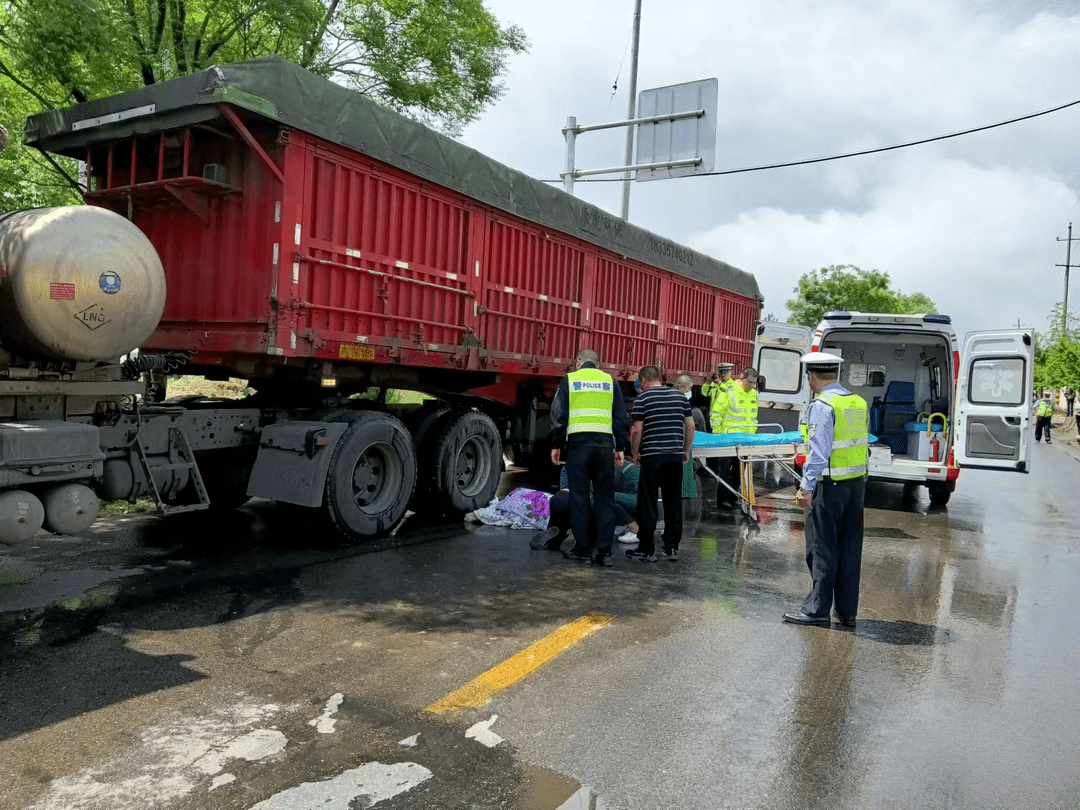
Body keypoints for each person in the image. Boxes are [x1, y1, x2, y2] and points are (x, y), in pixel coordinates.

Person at [783, 352, 869, 627]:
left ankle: (817, 610)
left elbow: (818, 453)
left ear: (811, 377)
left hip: (829, 486)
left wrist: (806, 487)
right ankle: (846, 612)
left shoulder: (822, 405)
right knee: (849, 549)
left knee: (821, 548)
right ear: (837, 374)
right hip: (855, 484)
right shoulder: (857, 401)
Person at [549, 348, 630, 567]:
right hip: (604, 447)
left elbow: (558, 414)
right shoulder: (610, 381)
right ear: (598, 364)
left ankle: (583, 551)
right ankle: (605, 553)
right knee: (605, 499)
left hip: (578, 446)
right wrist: (620, 446)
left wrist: (556, 444)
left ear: (578, 362)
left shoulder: (570, 379)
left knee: (580, 498)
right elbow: (620, 416)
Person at [626, 366, 694, 562]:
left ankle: (646, 549)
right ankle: (671, 548)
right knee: (673, 501)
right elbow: (690, 425)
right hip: (674, 457)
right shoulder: (680, 397)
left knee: (647, 502)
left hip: (652, 456)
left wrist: (635, 452)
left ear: (644, 380)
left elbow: (636, 430)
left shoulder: (643, 398)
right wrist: (686, 450)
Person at [714, 367, 760, 509]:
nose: (751, 385)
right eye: (749, 382)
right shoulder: (728, 391)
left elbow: (753, 417)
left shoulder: (754, 394)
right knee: (725, 471)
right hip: (728, 438)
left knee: (739, 472)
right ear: (741, 378)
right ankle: (722, 499)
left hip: (746, 440)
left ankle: (733, 497)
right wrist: (718, 437)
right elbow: (716, 414)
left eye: (754, 383)